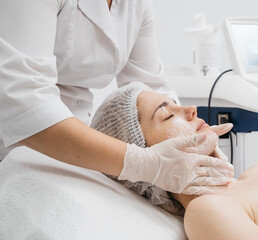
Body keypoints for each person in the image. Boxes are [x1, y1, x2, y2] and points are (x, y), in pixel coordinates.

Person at [0, 0, 234, 195]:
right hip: (17, 147)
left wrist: (193, 140)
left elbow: (151, 86)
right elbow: (25, 104)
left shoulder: (136, 5)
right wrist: (147, 164)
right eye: (165, 114)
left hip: (81, 153)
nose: (191, 109)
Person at [92, 82, 258, 240]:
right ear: (146, 159)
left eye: (175, 102)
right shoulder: (205, 211)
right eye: (166, 115)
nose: (190, 109)